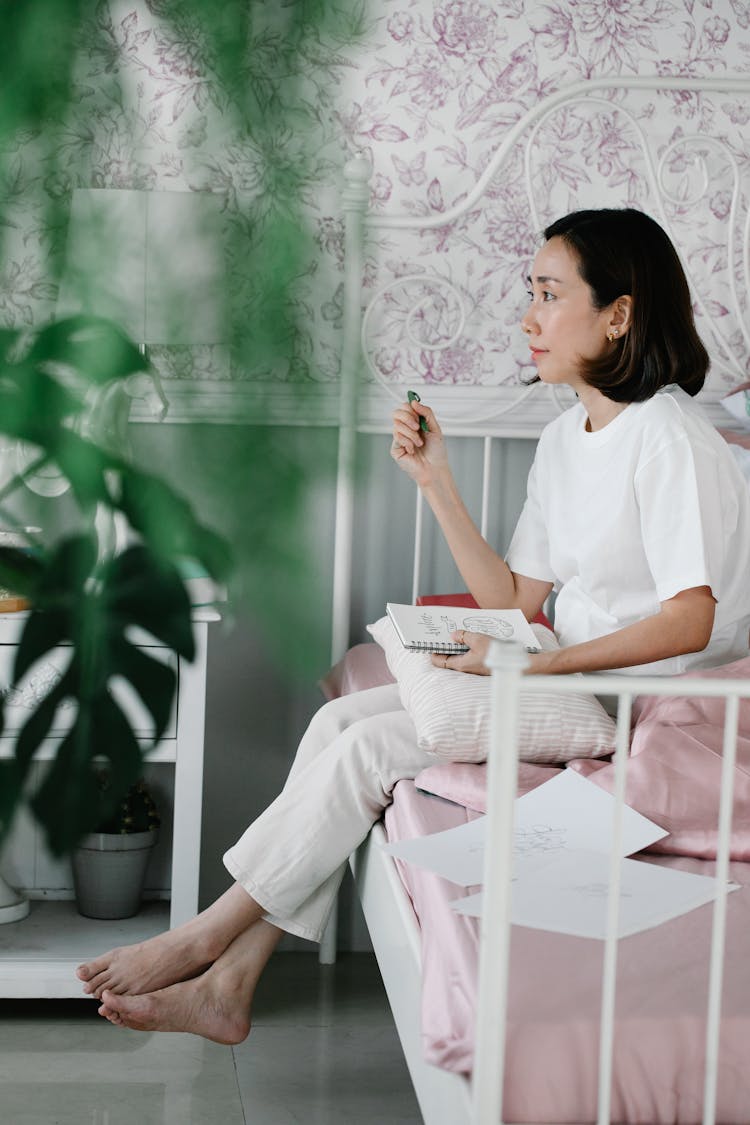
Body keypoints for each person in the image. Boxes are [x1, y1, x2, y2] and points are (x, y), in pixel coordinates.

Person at [76, 207, 750, 1041]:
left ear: (619, 312)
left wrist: (538, 668)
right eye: (527, 294)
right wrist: (436, 481)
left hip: (641, 701)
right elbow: (515, 598)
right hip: (570, 674)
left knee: (368, 748)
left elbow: (691, 620)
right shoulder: (564, 437)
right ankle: (234, 984)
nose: (527, 318)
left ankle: (207, 939)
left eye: (548, 294)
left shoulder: (671, 437)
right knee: (340, 718)